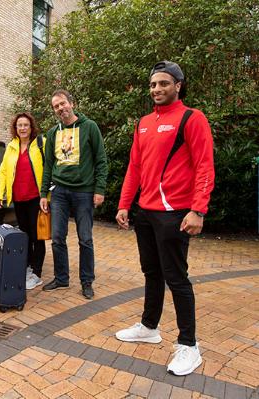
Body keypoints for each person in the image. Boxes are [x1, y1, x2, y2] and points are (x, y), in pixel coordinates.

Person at [115, 61, 214, 376]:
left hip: (175, 214)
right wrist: (124, 204)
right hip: (146, 212)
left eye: (163, 83)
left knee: (176, 278)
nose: (157, 89)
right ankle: (149, 326)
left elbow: (204, 166)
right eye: (153, 85)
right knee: (151, 272)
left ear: (178, 86)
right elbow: (135, 167)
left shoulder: (192, 119)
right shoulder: (143, 123)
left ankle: (189, 346)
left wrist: (198, 209)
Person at [39, 89, 108, 299]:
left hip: (84, 192)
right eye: (56, 106)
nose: (60, 108)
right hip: (59, 191)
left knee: (85, 239)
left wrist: (99, 189)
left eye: (62, 104)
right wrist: (44, 193)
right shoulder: (52, 133)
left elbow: (101, 160)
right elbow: (48, 164)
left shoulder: (89, 127)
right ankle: (61, 278)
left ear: (71, 103)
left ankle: (87, 281)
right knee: (58, 238)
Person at [0, 112, 46, 290]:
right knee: (25, 236)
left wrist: (46, 195)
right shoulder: (12, 147)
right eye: (19, 125)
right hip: (19, 199)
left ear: (31, 127)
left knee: (37, 236)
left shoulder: (40, 144)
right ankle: (28, 267)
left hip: (36, 199)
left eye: (25, 125)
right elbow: (3, 172)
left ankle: (37, 273)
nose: (22, 128)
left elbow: (49, 170)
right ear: (15, 128)